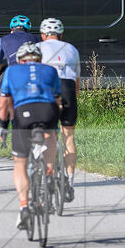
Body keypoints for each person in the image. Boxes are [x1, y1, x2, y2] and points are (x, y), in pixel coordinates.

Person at [0, 42, 61, 231]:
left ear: (20, 59)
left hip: (23, 114)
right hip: (48, 111)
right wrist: (54, 127)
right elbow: (57, 101)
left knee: (20, 164)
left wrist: (3, 127)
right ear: (39, 59)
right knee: (51, 138)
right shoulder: (50, 71)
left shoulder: (11, 71)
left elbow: (4, 104)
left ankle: (24, 205)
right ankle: (49, 173)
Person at [38, 17, 80, 201]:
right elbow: (77, 81)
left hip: (49, 89)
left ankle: (47, 174)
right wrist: (73, 99)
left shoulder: (38, 48)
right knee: (69, 137)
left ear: (43, 34)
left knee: (47, 134)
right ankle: (69, 183)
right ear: (61, 34)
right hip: (68, 89)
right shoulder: (72, 49)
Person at [0, 15, 39, 104]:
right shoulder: (36, 39)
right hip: (32, 79)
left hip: (12, 79)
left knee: (7, 112)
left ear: (11, 29)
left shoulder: (2, 40)